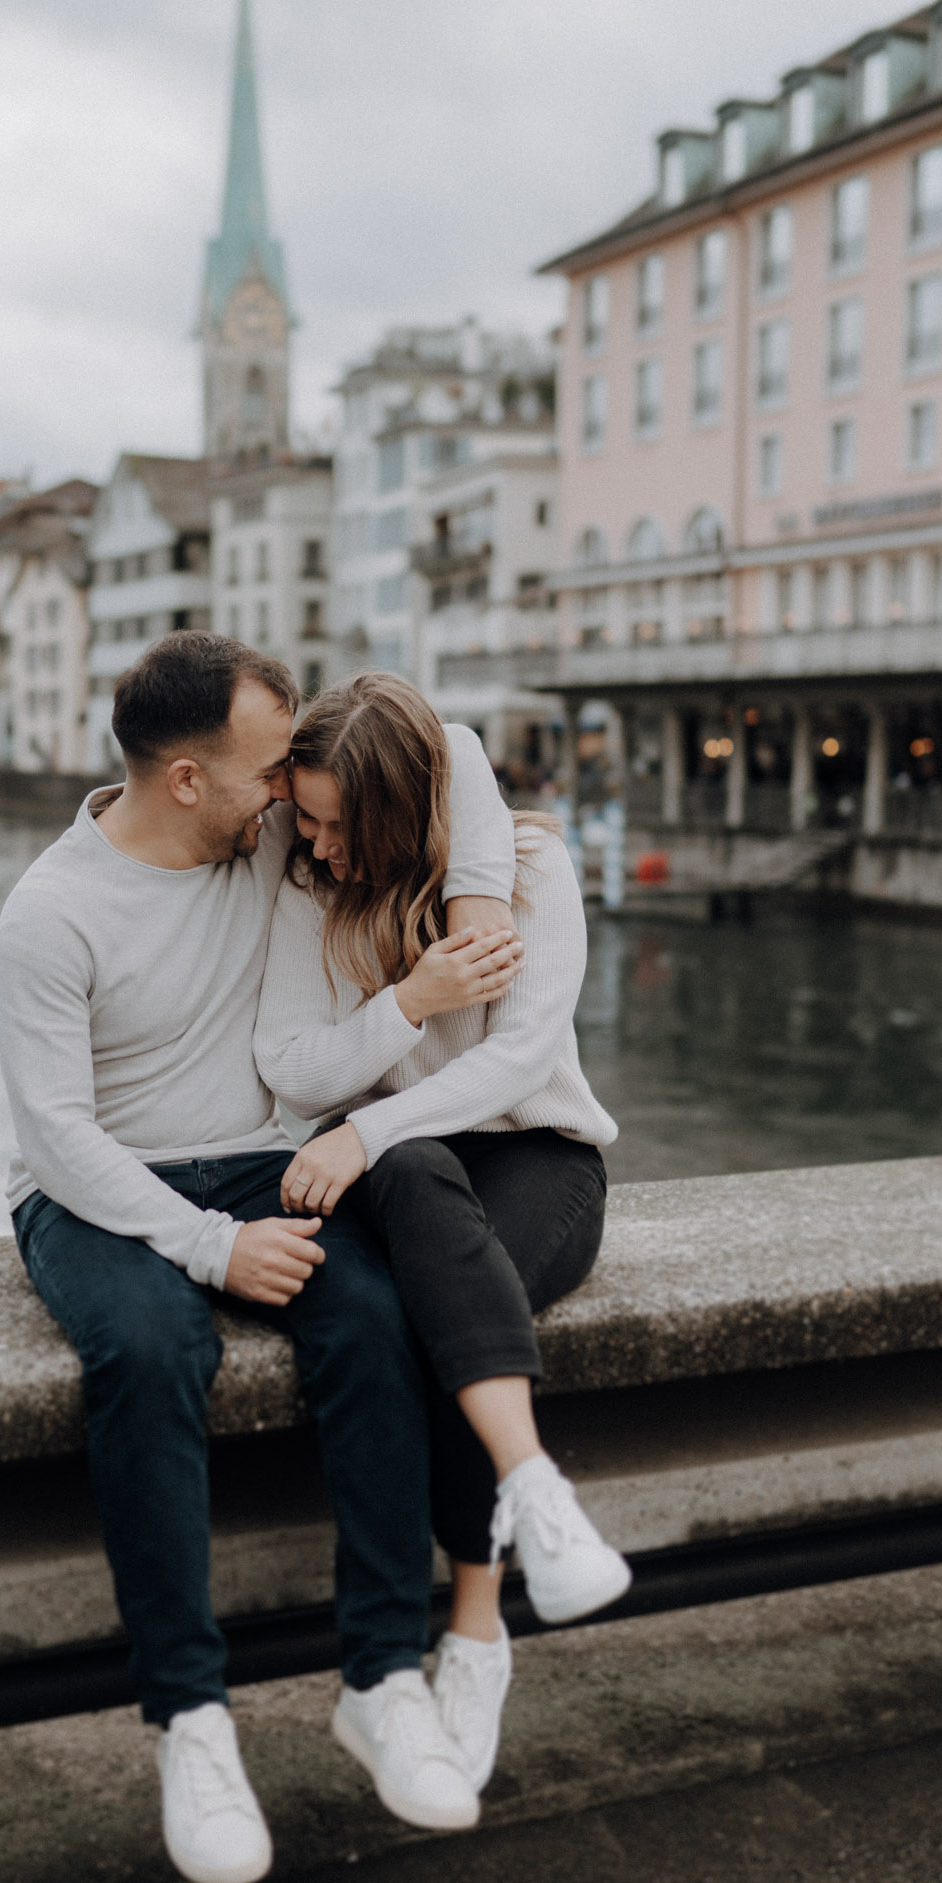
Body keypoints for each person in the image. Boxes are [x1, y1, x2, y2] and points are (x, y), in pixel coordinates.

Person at [0, 632, 516, 1883]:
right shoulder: (48, 913)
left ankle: (383, 1680)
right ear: (186, 779)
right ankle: (191, 1721)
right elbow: (58, 1140)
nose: (290, 791)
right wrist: (212, 1249)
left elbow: (463, 755)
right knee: (151, 1349)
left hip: (251, 1160)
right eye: (268, 768)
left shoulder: (269, 829)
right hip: (97, 1191)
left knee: (374, 1319)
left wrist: (484, 912)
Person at [253, 672, 630, 1796]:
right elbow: (289, 1063)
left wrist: (360, 1132)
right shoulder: (307, 890)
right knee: (420, 1187)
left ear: (401, 814)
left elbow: (515, 1064)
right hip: (410, 1170)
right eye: (304, 818)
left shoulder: (527, 869)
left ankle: (475, 1630)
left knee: (442, 1292)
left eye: (332, 823)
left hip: (537, 1156)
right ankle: (525, 1517)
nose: (312, 847)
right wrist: (408, 1004)